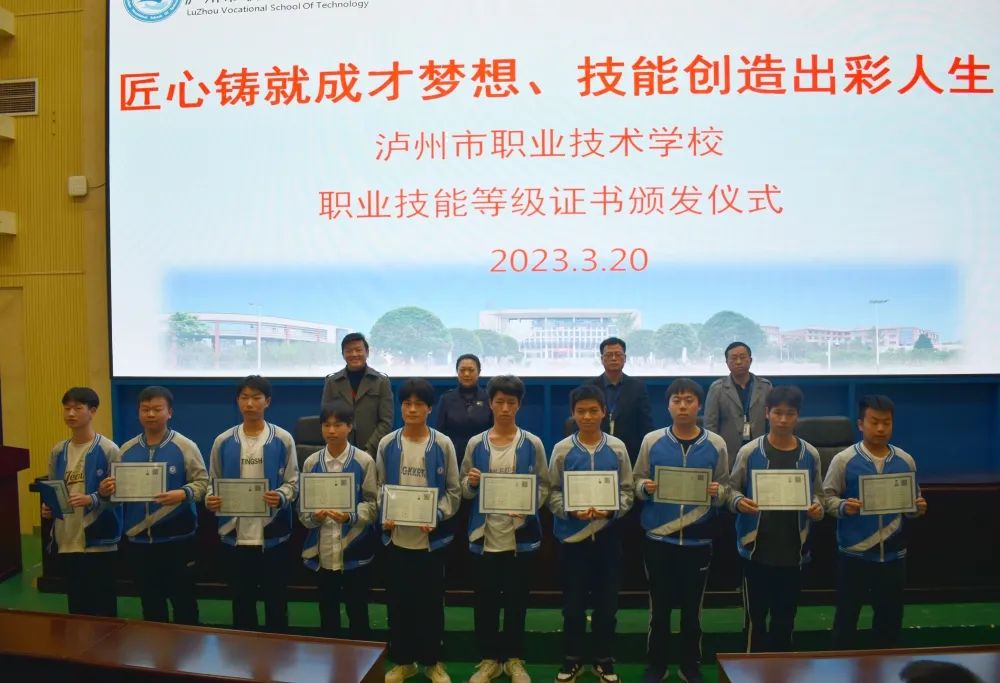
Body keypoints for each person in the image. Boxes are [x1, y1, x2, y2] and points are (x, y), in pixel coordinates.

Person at [633, 379, 730, 683]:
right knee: (659, 609)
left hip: (698, 540)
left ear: (699, 405)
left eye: (689, 400)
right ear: (668, 405)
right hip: (659, 538)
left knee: (692, 610)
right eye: (677, 400)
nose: (683, 406)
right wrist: (645, 488)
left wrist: (717, 492)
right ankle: (657, 664)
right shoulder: (652, 441)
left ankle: (690, 665)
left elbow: (726, 487)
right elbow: (636, 481)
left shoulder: (716, 444)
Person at [460, 375, 549, 683]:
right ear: (491, 404)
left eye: (511, 402)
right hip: (484, 535)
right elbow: (464, 488)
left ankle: (513, 659)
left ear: (519, 405)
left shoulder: (533, 443)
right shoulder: (476, 443)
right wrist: (472, 483)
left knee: (516, 602)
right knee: (484, 602)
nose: (505, 408)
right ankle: (488, 660)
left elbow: (544, 486)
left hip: (520, 537)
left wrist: (528, 506)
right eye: (500, 402)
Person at [823, 395, 928, 650]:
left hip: (893, 556)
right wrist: (844, 507)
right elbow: (826, 498)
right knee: (846, 621)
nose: (881, 428)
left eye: (886, 423)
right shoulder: (844, 460)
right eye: (874, 422)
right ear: (861, 424)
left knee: (889, 624)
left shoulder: (905, 460)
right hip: (854, 555)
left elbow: (912, 502)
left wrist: (917, 508)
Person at [376, 378, 461, 683]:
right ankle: (403, 662)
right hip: (397, 540)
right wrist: (385, 513)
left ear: (429, 409)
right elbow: (379, 488)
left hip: (431, 541)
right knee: (399, 604)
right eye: (407, 404)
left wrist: (438, 514)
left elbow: (454, 491)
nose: (412, 409)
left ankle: (432, 662)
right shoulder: (387, 444)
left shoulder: (443, 444)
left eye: (418, 404)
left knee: (431, 605)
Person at [728, 385, 825, 653]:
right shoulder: (750, 452)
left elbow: (819, 495)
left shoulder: (810, 454)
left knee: (785, 620)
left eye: (790, 414)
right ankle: (750, 671)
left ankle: (782, 670)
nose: (783, 419)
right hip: (755, 551)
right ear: (767, 413)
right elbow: (731, 490)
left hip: (793, 553)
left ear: (798, 416)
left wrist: (817, 508)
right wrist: (738, 502)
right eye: (777, 413)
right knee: (754, 621)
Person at [548, 384, 634, 683]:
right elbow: (552, 492)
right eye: (581, 411)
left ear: (603, 412)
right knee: (572, 607)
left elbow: (627, 490)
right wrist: (570, 511)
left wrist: (612, 510)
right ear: (573, 413)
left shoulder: (618, 448)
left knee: (606, 606)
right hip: (572, 541)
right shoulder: (562, 449)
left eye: (593, 410)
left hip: (607, 540)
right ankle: (571, 659)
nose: (587, 416)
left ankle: (603, 660)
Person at [105, 386, 208, 624]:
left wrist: (182, 494)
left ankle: (188, 645)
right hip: (139, 541)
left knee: (184, 601)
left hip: (177, 539)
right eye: (145, 409)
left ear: (169, 412)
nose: (150, 414)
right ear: (139, 413)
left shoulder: (185, 446)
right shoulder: (126, 450)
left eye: (157, 409)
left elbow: (203, 483)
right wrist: (108, 490)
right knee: (150, 603)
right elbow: (115, 494)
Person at [205, 375, 298, 632]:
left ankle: (277, 649)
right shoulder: (223, 440)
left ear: (267, 401)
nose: (250, 403)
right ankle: (243, 652)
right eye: (244, 397)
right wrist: (211, 499)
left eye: (256, 398)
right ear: (237, 401)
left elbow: (293, 482)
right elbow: (212, 481)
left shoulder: (283, 439)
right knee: (241, 601)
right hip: (234, 535)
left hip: (273, 534)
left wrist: (281, 496)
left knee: (275, 602)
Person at [300, 400, 377, 640]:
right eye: (326, 425)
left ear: (350, 426)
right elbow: (303, 509)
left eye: (338, 425)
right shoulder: (311, 463)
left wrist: (350, 516)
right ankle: (330, 655)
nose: (331, 431)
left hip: (354, 548)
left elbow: (373, 504)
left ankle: (362, 658)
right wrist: (313, 516)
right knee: (327, 610)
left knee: (358, 610)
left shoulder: (364, 461)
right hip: (323, 550)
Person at [43, 387, 122, 617]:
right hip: (67, 537)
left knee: (103, 606)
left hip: (99, 538)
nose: (71, 413)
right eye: (67, 408)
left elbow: (120, 497)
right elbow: (54, 488)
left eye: (78, 408)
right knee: (77, 606)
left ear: (93, 411)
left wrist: (92, 499)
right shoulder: (58, 451)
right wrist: (49, 507)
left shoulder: (108, 449)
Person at [322, 332, 394, 456]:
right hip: (339, 451)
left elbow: (386, 421)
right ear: (343, 354)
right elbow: (326, 418)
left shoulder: (381, 382)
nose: (354, 354)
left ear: (367, 352)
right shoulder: (332, 382)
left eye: (358, 350)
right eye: (349, 351)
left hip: (373, 452)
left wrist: (369, 449)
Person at [705, 341, 772, 470]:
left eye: (742, 357)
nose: (739, 362)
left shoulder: (765, 386)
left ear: (750, 360)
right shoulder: (717, 388)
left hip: (760, 451)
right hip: (728, 454)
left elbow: (771, 422)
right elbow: (710, 425)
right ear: (727, 363)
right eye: (734, 358)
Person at [588, 336, 652, 464]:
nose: (613, 358)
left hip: (630, 453)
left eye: (618, 354)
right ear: (602, 359)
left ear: (625, 358)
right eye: (609, 355)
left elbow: (646, 423)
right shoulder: (590, 387)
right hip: (596, 452)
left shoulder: (637, 387)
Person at [436, 353, 493, 460]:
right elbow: (440, 433)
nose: (466, 374)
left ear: (479, 372)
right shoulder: (446, 399)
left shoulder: (488, 398)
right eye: (462, 370)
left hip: (483, 456)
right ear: (457, 372)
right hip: (453, 457)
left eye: (471, 370)